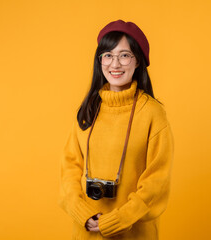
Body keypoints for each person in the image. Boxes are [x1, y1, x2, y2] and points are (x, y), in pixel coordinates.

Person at [59, 19, 174, 240]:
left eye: (124, 55)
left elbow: (157, 182)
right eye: (108, 55)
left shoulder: (152, 113)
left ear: (138, 61)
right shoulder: (87, 110)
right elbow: (69, 169)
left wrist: (117, 219)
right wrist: (83, 213)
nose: (115, 64)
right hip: (87, 230)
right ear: (100, 60)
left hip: (134, 233)